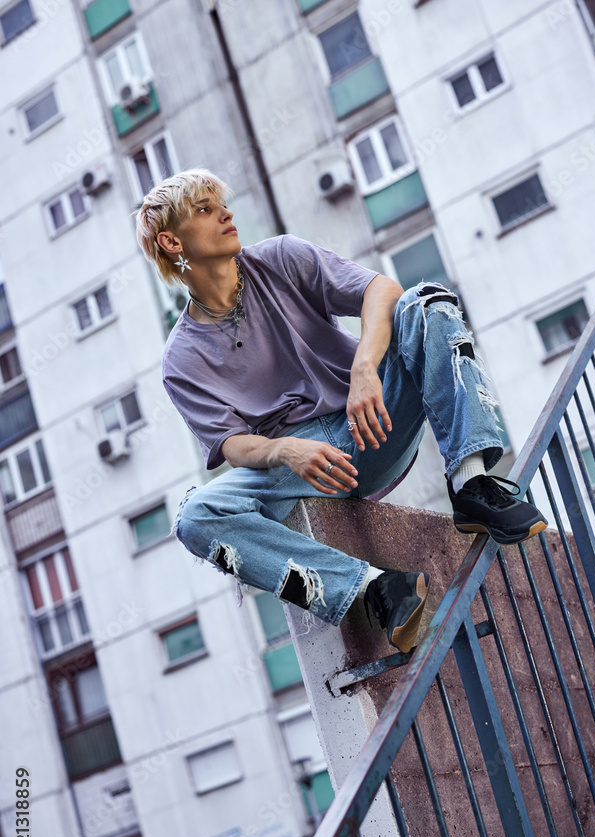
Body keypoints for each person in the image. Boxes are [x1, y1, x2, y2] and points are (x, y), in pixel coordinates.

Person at [135, 168, 547, 653]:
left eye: (221, 203)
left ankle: (472, 482)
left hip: (371, 420)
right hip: (300, 466)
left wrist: (365, 368)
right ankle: (375, 588)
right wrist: (286, 450)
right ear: (171, 241)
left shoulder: (282, 257)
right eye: (204, 210)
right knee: (195, 516)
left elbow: (381, 291)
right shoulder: (181, 358)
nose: (225, 213)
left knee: (425, 301)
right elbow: (230, 445)